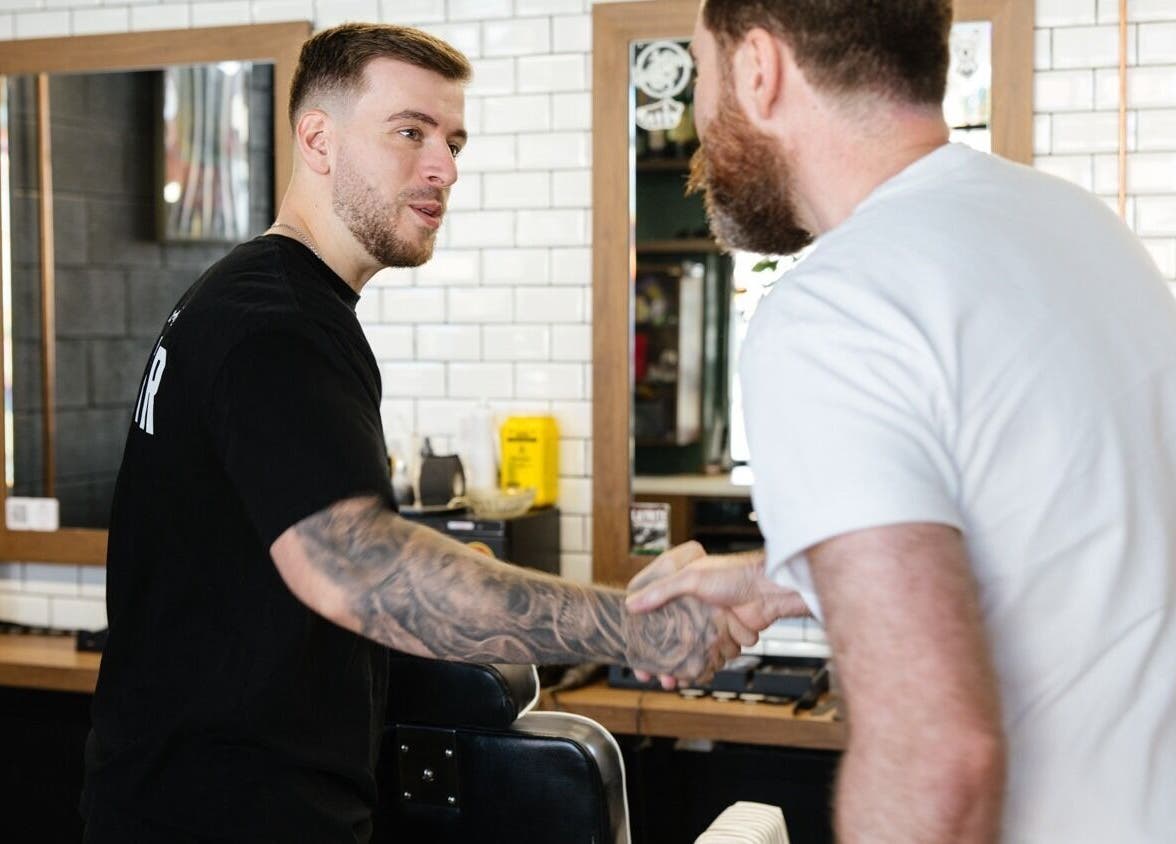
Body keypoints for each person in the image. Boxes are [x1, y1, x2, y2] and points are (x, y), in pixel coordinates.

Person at [80, 24, 751, 843]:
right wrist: (634, 624)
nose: (445, 168)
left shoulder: (257, 300)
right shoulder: (276, 323)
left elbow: (335, 560)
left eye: (453, 142)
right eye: (410, 133)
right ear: (318, 140)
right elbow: (362, 571)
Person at [627, 1, 1176, 841]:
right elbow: (1058, 540)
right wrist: (782, 581)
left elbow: (936, 762)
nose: (702, 117)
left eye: (702, 71)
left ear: (758, 70)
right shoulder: (1077, 225)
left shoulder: (838, 307)